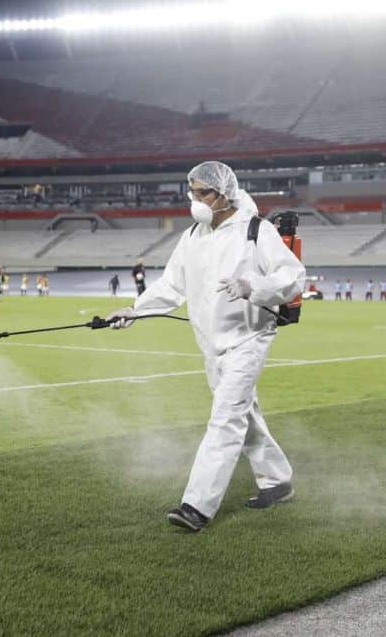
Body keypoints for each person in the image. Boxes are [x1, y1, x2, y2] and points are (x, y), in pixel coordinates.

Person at [107, 161, 304, 532]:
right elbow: (170, 286)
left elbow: (293, 277)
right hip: (212, 345)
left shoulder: (254, 231)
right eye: (191, 192)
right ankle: (277, 481)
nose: (195, 200)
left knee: (226, 418)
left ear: (224, 193)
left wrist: (253, 287)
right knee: (244, 415)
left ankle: (196, 505)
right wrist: (134, 311)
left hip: (249, 339)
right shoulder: (193, 236)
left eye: (203, 193)